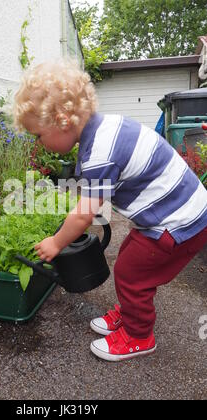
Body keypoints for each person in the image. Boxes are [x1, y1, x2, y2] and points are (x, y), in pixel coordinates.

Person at [14, 60, 207, 362]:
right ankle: (131, 310)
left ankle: (138, 335)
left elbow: (84, 215)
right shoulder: (107, 126)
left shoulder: (99, 154)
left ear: (62, 120)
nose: (40, 144)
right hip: (181, 212)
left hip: (179, 222)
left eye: (39, 135)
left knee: (132, 272)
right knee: (131, 254)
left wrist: (55, 242)